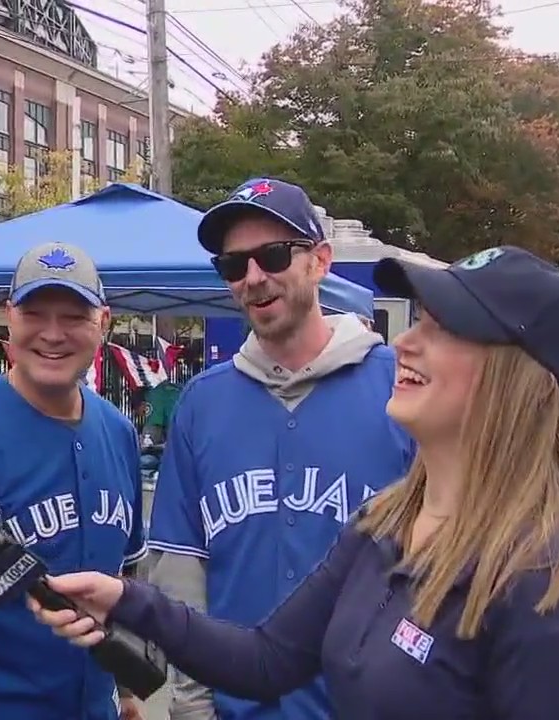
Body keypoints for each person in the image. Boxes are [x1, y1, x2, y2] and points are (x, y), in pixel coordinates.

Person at [32, 245, 559, 720]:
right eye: (419, 319)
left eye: (444, 328)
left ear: (517, 377)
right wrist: (127, 600)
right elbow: (266, 660)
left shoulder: (556, 580)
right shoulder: (384, 522)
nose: (405, 343)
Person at [148, 177, 413, 720]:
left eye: (272, 255)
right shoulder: (203, 402)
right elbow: (181, 570)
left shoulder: (400, 389)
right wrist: (193, 707)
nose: (253, 277)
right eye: (233, 265)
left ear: (319, 261)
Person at [0, 242, 148, 720]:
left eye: (74, 316)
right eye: (35, 313)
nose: (53, 334)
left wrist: (125, 689)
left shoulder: (118, 431)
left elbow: (123, 575)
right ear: (9, 316)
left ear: (104, 322)